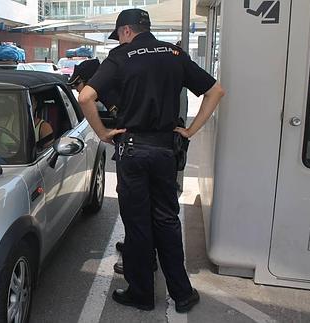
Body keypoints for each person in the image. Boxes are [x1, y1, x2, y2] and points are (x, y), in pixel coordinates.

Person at [78, 8, 224, 313]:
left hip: (132, 150)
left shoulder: (120, 57)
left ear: (127, 31)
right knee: (168, 221)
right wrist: (190, 131)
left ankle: (142, 293)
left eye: (119, 34)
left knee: (138, 224)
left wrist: (103, 131)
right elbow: (215, 91)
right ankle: (182, 293)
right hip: (165, 151)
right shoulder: (175, 54)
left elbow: (85, 96)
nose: (119, 39)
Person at [69, 58, 158, 276]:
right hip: (143, 150)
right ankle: (136, 249)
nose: (79, 90)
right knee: (135, 207)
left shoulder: (112, 92)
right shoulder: (114, 88)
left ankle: (142, 260)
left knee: (137, 208)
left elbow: (88, 101)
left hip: (140, 152)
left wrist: (104, 134)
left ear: (89, 81)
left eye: (78, 85)